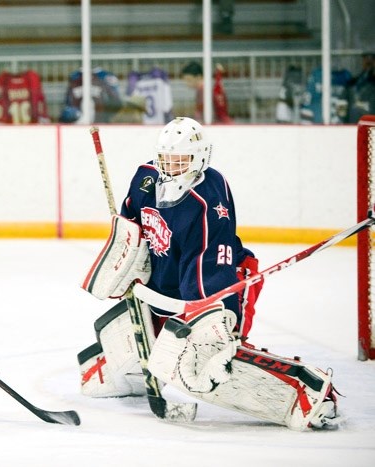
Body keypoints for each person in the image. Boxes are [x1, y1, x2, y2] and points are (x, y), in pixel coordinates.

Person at [79, 117, 338, 430]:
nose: (170, 166)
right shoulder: (146, 178)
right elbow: (131, 226)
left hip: (223, 282)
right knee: (136, 334)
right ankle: (118, 373)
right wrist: (127, 258)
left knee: (206, 353)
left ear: (199, 158)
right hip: (167, 279)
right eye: (165, 159)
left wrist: (211, 321)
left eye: (180, 160)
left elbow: (209, 267)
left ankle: (307, 393)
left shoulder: (208, 199)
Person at [342, 51, 375, 124]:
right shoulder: (352, 82)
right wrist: (343, 122)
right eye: (366, 59)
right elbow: (342, 103)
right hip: (353, 124)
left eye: (372, 59)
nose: (368, 62)